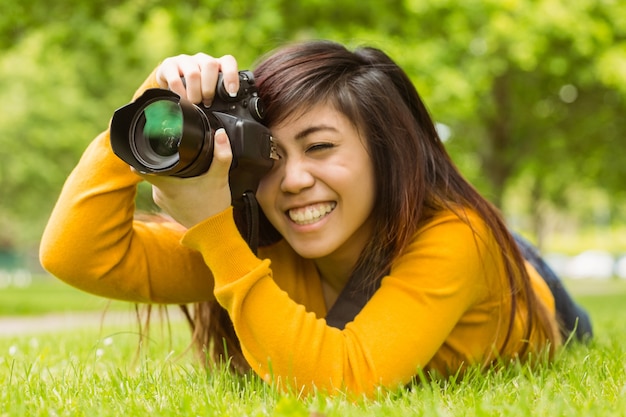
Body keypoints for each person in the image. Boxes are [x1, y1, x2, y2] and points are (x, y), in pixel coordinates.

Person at [39, 40, 591, 397]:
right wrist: (152, 106)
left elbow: (344, 381)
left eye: (321, 146)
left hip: (523, 286)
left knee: (487, 243)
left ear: (387, 150)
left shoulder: (456, 238)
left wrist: (215, 233)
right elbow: (76, 254)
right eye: (270, 155)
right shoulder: (262, 236)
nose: (294, 179)